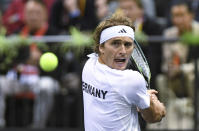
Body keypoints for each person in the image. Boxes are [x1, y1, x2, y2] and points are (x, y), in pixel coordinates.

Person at [82, 11, 166, 131]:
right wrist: (155, 103)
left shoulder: (89, 65)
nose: (123, 51)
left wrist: (141, 95)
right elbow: (154, 117)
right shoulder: (132, 80)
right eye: (115, 43)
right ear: (101, 47)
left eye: (127, 44)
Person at [0, 0, 60, 128]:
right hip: (17, 80)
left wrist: (39, 61)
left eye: (37, 13)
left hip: (40, 80)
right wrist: (24, 59)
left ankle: (37, 127)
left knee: (46, 86)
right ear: (24, 15)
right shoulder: (15, 34)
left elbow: (61, 68)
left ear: (45, 15)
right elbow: (4, 63)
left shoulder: (55, 35)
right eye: (30, 13)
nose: (33, 16)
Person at [156, 0, 199, 129]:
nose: (178, 19)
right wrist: (170, 69)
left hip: (193, 76)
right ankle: (164, 119)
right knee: (160, 79)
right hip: (175, 79)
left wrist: (182, 69)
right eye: (175, 15)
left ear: (191, 15)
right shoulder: (169, 34)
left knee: (192, 77)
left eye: (181, 15)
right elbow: (165, 63)